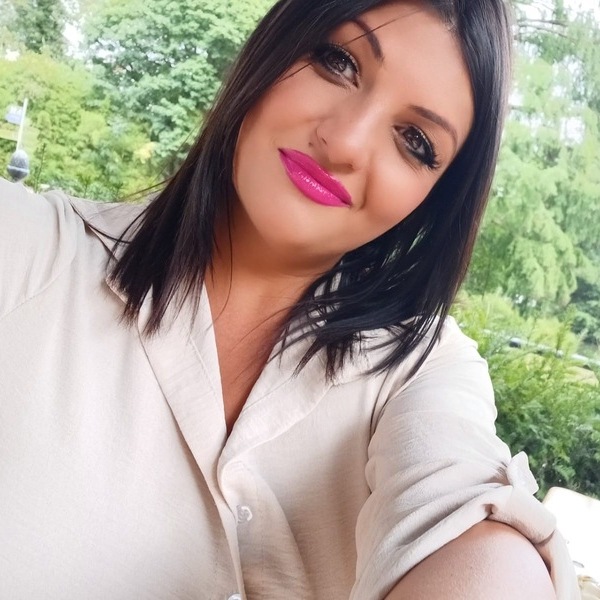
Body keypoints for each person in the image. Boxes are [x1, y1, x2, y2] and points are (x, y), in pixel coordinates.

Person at [0, 0, 580, 598]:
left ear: (434, 199)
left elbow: (468, 518)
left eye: (414, 140)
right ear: (273, 47)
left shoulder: (418, 370)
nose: (344, 142)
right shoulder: (27, 252)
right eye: (338, 63)